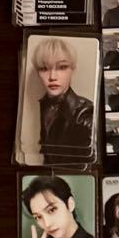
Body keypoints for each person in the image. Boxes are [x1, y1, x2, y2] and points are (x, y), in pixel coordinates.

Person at [30, 37, 94, 166]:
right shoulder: (42, 105)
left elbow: (87, 165)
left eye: (62, 67)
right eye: (44, 68)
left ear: (73, 69)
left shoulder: (84, 112)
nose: (52, 77)